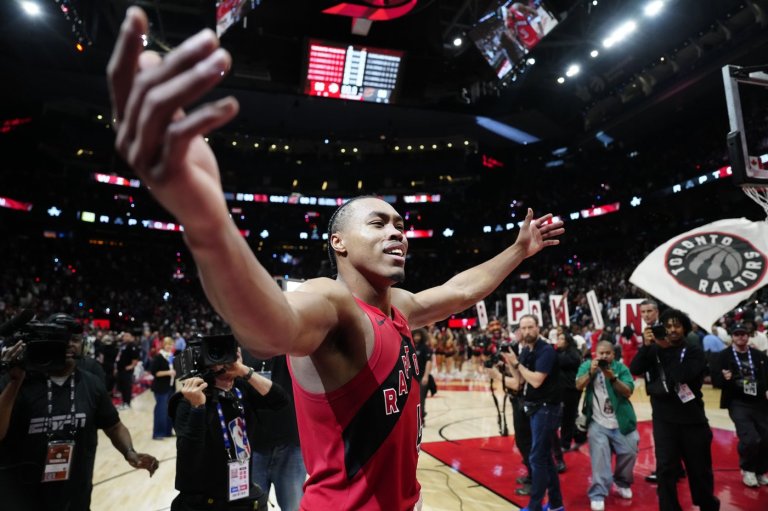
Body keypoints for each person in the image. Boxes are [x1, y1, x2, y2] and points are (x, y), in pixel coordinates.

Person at [107, 8, 564, 509]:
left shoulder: (401, 308)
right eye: (378, 223)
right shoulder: (331, 302)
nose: (398, 234)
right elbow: (268, 332)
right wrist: (208, 224)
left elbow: (462, 289)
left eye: (401, 226)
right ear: (338, 244)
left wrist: (518, 250)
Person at [0, 322, 158, 510]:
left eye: (74, 339)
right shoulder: (18, 380)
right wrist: (14, 382)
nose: (68, 344)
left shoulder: (92, 383)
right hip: (22, 493)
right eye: (60, 339)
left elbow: (113, 426)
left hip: (75, 492)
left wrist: (129, 452)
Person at [170, 349, 288, 510]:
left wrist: (245, 371)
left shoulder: (241, 388)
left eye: (235, 355)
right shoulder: (187, 402)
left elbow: (280, 400)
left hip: (240, 495)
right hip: (205, 501)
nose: (230, 361)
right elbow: (189, 457)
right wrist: (198, 407)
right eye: (221, 356)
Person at [629, 308, 720, 511]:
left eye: (677, 325)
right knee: (666, 469)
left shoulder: (694, 351)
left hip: (692, 420)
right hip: (664, 419)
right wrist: (646, 346)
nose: (672, 330)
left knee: (700, 469)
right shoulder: (654, 349)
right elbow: (635, 369)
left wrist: (664, 349)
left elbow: (679, 376)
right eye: (668, 326)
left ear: (684, 328)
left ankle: (707, 504)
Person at [504, 315, 564, 511]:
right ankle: (556, 504)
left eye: (531, 327)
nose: (527, 331)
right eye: (524, 328)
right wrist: (507, 364)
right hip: (536, 408)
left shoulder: (545, 350)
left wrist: (516, 364)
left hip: (546, 409)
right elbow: (520, 380)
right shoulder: (527, 350)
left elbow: (537, 380)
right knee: (545, 458)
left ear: (538, 328)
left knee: (537, 458)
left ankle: (535, 506)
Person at [576, 341, 638, 511]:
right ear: (595, 354)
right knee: (600, 458)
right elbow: (578, 385)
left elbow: (627, 391)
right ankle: (598, 493)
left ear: (613, 354)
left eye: (608, 353)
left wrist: (612, 377)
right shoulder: (588, 366)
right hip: (598, 422)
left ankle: (622, 482)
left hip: (622, 421)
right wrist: (591, 372)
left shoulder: (621, 368)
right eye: (601, 353)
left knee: (629, 452)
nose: (604, 356)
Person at [241, 352, 307, 511]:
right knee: (251, 507)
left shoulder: (294, 350)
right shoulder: (242, 351)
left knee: (294, 507)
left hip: (291, 445)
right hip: (251, 447)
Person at [716, 323, 768, 487]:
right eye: (737, 334)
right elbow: (715, 380)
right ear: (732, 336)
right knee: (750, 438)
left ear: (749, 336)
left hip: (759, 401)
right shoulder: (723, 356)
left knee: (766, 437)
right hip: (737, 401)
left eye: (744, 334)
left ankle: (760, 471)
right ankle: (748, 469)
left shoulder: (759, 355)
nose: (740, 337)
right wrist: (724, 378)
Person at [150, 336, 176, 439]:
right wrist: (168, 372)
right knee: (160, 411)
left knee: (170, 410)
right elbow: (154, 372)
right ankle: (158, 434)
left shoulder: (171, 356)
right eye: (167, 344)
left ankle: (167, 432)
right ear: (163, 345)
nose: (169, 346)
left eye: (171, 344)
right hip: (161, 388)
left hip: (170, 387)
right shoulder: (159, 357)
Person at [114, 331, 140, 409]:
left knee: (127, 387)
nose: (125, 337)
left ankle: (127, 403)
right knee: (122, 387)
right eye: (124, 336)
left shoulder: (132, 346)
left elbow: (135, 359)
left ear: (131, 337)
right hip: (120, 369)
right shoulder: (123, 345)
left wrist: (130, 367)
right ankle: (123, 402)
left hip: (126, 371)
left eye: (127, 336)